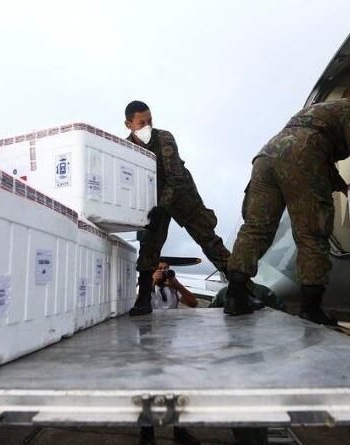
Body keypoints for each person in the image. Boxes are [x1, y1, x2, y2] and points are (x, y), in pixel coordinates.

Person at [224, 83, 350, 323]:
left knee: (256, 229)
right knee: (312, 234)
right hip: (302, 158)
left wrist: (343, 188)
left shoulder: (317, 112)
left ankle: (235, 297)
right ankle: (311, 310)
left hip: (265, 159)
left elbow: (315, 151)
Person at [125, 100, 230, 316]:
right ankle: (143, 299)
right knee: (148, 245)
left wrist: (162, 207)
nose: (147, 126)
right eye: (141, 123)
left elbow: (175, 177)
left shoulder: (164, 138)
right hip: (154, 201)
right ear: (129, 124)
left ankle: (242, 288)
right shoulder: (125, 148)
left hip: (182, 195)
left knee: (209, 240)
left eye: (150, 120)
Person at [139, 260, 201, 445]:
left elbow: (193, 303)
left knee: (176, 388)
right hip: (149, 344)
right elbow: (137, 303)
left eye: (166, 269)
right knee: (148, 389)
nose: (163, 272)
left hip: (171, 344)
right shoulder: (146, 289)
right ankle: (147, 434)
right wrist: (151, 282)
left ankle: (179, 431)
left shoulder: (173, 288)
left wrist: (177, 285)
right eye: (160, 269)